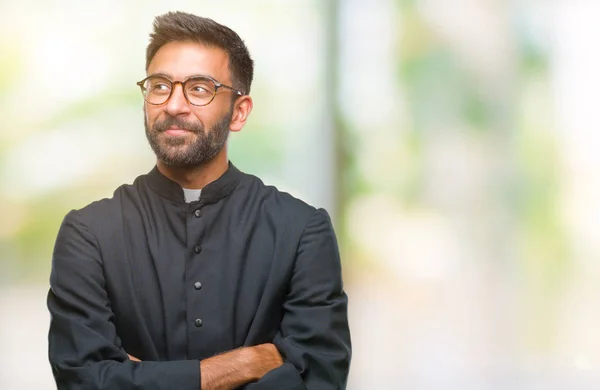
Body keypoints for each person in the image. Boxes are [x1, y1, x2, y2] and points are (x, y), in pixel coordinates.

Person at [47, 11, 351, 390]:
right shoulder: (89, 233)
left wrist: (139, 379)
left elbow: (318, 378)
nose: (174, 105)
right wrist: (241, 365)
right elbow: (84, 380)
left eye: (199, 88)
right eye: (160, 86)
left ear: (239, 112)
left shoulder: (302, 230)